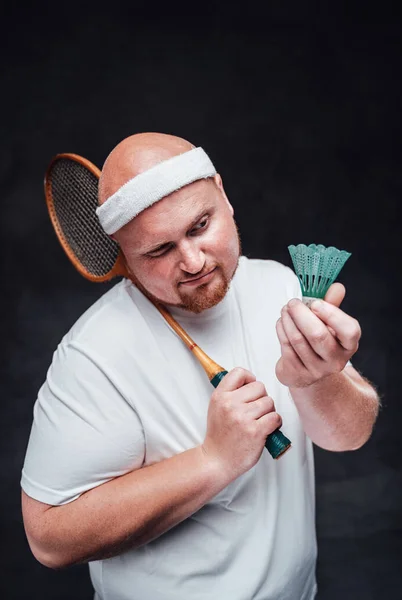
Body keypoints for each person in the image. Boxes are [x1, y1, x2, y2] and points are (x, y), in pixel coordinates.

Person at [21, 132, 380, 600]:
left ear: (223, 194)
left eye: (199, 226)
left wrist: (318, 379)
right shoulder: (94, 355)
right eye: (159, 250)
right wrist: (213, 460)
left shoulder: (281, 286)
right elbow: (48, 539)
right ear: (124, 254)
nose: (192, 261)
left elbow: (348, 435)